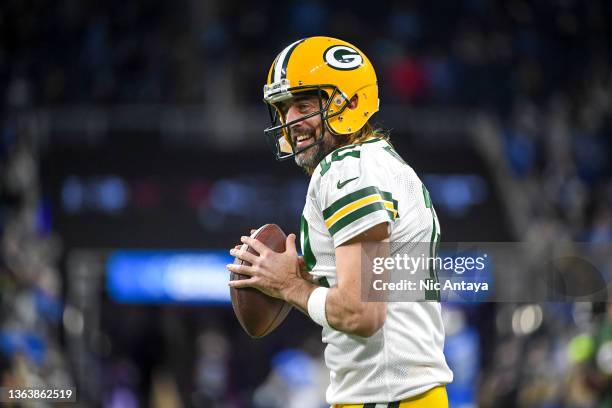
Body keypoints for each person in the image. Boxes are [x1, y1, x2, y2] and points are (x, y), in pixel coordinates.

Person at [227, 36, 453, 408]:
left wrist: (289, 286)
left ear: (349, 100)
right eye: (283, 109)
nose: (291, 121)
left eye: (303, 105)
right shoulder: (381, 162)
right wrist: (306, 280)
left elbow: (362, 312)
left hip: (385, 398)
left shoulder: (345, 170)